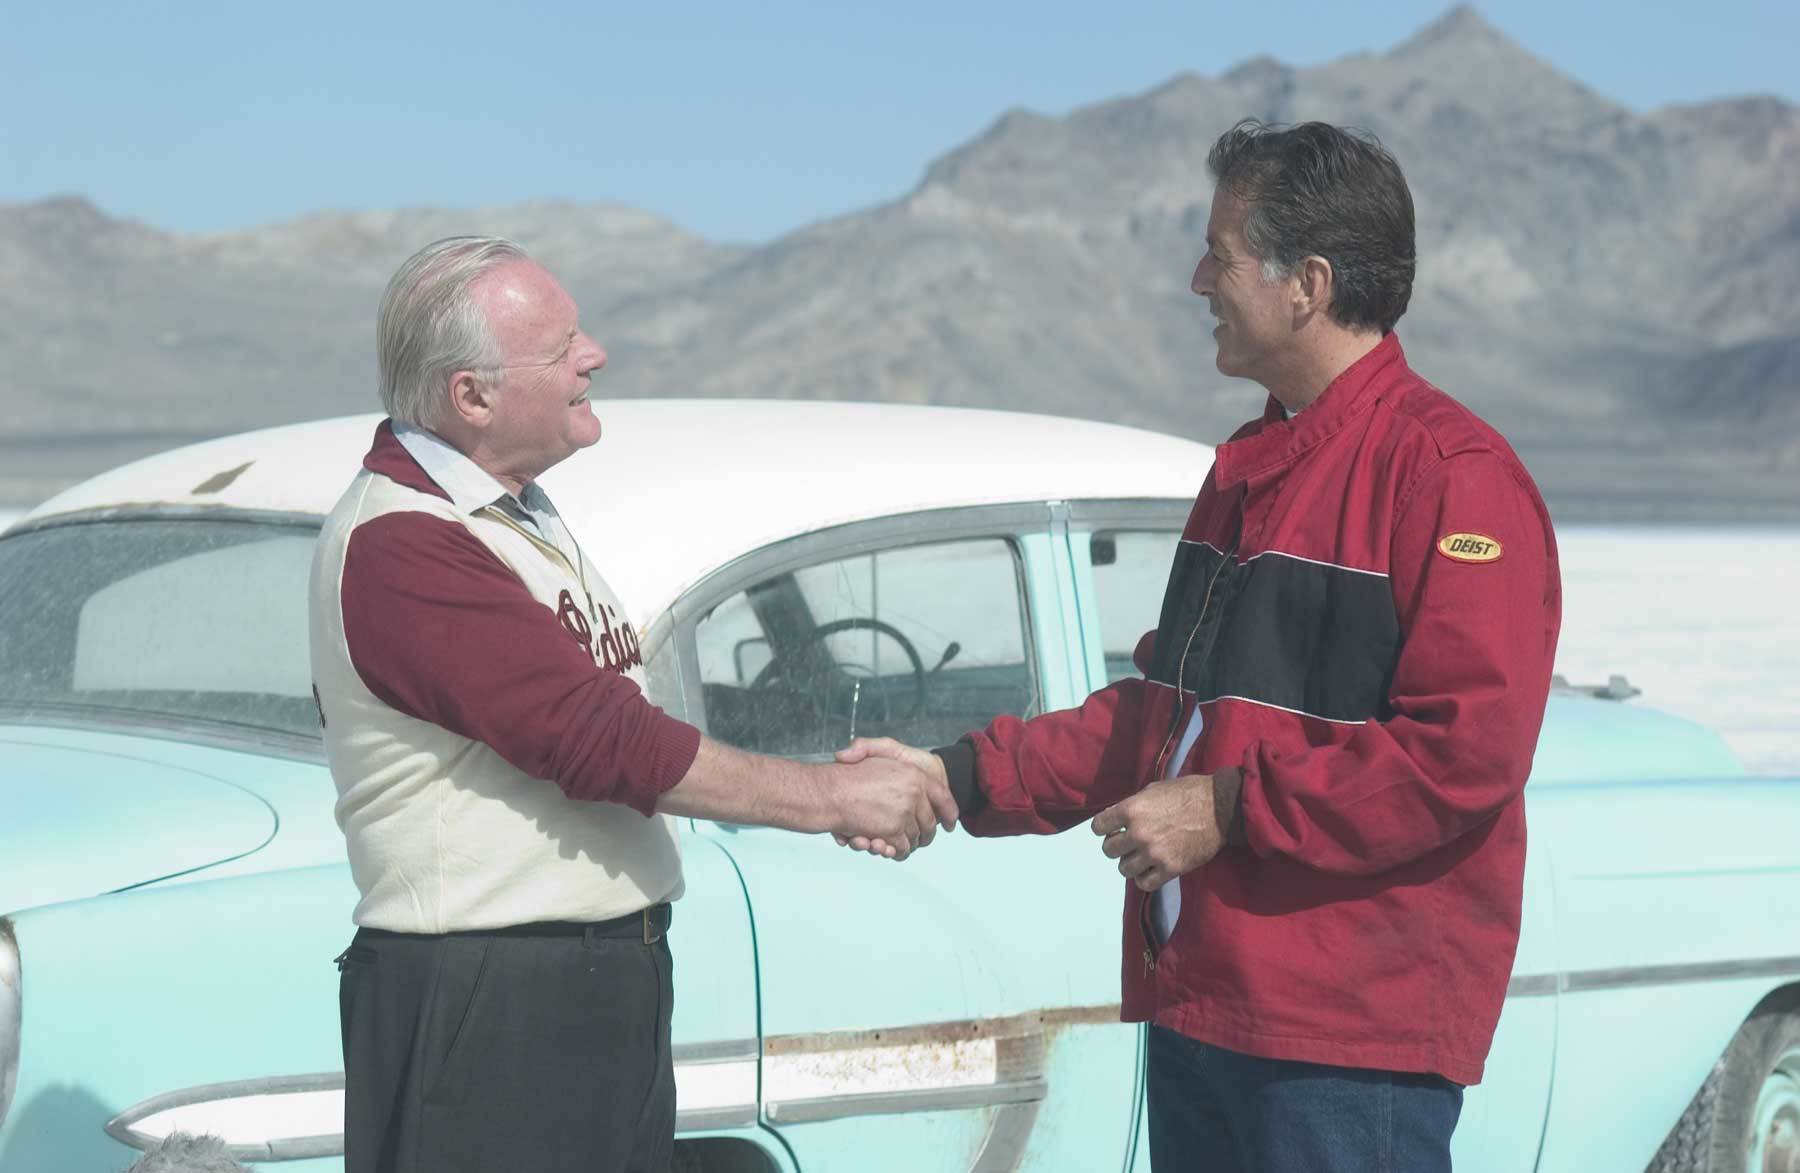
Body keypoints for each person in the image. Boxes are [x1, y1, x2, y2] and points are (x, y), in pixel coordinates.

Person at [841, 120, 1561, 1172]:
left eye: (1219, 255)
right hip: (1205, 1003)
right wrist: (959, 777)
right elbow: (1163, 718)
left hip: (1340, 1043)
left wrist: (1227, 808)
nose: (1197, 280)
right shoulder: (1250, 468)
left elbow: (1463, 756)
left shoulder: (1452, 477)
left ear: (1307, 282)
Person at [307, 236, 956, 1173]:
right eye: (561, 345)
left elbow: (605, 689)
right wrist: (833, 797)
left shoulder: (512, 508)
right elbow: (595, 734)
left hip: (583, 980)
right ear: (472, 397)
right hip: (489, 999)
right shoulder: (403, 543)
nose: (594, 355)